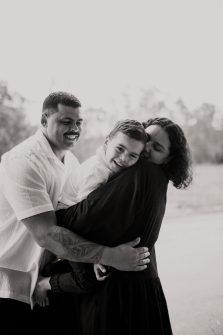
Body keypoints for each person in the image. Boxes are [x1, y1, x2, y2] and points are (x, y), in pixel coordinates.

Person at [0, 92, 150, 334]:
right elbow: (47, 234)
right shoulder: (22, 161)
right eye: (65, 121)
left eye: (79, 122)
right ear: (44, 120)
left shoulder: (70, 161)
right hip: (9, 284)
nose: (74, 128)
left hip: (41, 276)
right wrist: (109, 256)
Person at [38, 117, 192, 334]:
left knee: (85, 280)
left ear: (169, 158)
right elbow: (96, 215)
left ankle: (47, 282)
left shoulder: (145, 174)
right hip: (133, 283)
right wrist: (103, 255)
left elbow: (85, 217)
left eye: (156, 147)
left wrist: (99, 254)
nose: (145, 149)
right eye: (147, 140)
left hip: (120, 293)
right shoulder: (132, 172)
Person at [34, 118, 148, 306]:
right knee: (87, 281)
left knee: (92, 272)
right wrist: (96, 256)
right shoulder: (97, 171)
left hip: (79, 218)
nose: (124, 159)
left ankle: (50, 268)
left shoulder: (113, 168)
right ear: (107, 141)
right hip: (69, 216)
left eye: (133, 156)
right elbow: (88, 216)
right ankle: (43, 284)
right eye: (119, 149)